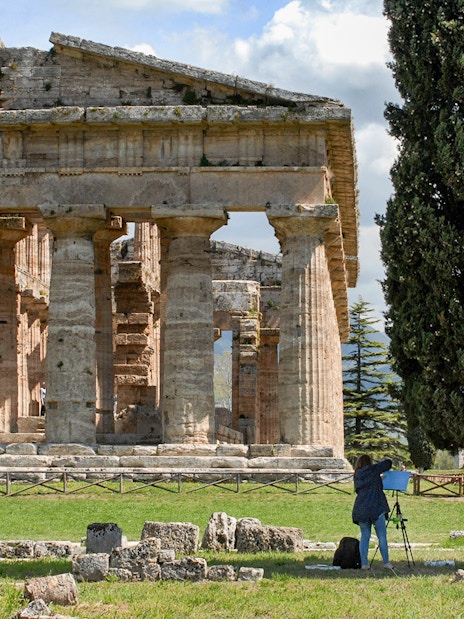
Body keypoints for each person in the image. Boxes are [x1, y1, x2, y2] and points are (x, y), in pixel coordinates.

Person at [352, 454, 393, 570]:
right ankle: (386, 562)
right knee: (382, 536)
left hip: (361, 507)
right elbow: (388, 462)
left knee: (365, 536)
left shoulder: (357, 474)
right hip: (376, 506)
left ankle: (364, 563)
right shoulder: (373, 469)